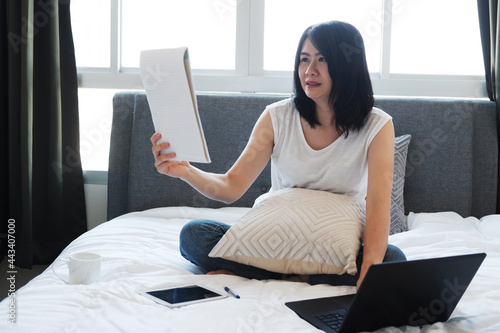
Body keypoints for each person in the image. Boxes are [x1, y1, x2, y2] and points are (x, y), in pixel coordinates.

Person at [150, 20, 406, 289]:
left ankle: (272, 273)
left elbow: (378, 203)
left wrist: (369, 271)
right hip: (280, 239)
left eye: (322, 60)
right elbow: (230, 187)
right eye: (304, 59)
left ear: (347, 65)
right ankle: (299, 274)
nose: (309, 70)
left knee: (392, 260)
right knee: (194, 236)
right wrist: (186, 170)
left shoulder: (377, 125)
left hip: (337, 241)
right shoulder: (277, 117)